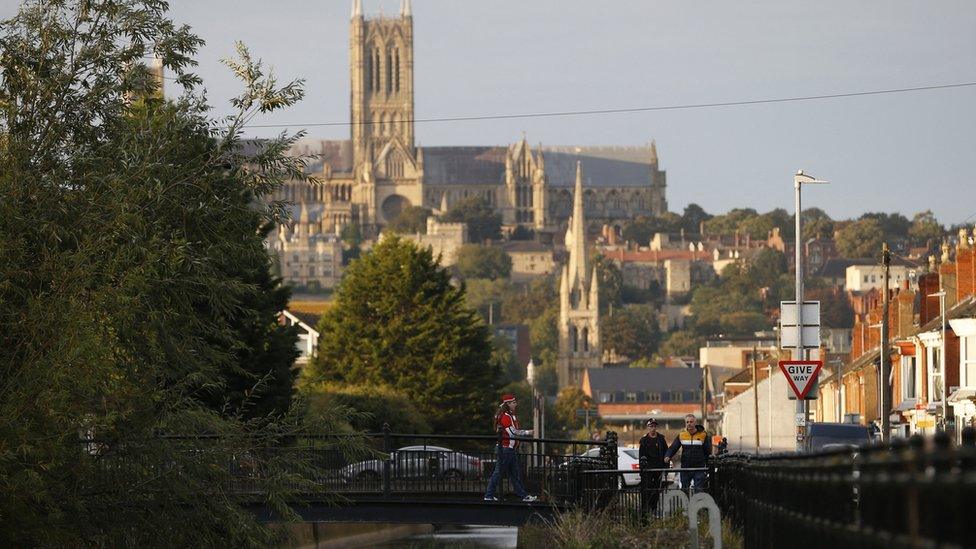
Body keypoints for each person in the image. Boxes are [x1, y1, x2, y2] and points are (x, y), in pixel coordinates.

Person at [484, 394, 538, 502]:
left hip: (509, 449)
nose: (516, 404)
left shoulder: (509, 415)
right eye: (513, 402)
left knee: (514, 474)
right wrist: (528, 432)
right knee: (499, 473)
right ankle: (488, 495)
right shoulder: (505, 416)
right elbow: (512, 433)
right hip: (505, 449)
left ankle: (523, 496)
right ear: (508, 404)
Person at [664, 414, 712, 494]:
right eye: (687, 422)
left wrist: (707, 467)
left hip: (699, 468)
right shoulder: (682, 435)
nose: (689, 424)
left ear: (695, 423)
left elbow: (708, 452)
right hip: (686, 468)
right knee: (684, 490)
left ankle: (697, 506)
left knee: (699, 490)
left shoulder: (703, 435)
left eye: (691, 422)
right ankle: (686, 506)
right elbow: (673, 447)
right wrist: (668, 456)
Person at [638, 418, 668, 515]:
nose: (653, 428)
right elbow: (641, 456)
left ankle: (654, 509)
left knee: (656, 490)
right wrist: (642, 470)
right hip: (647, 470)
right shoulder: (644, 440)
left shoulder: (661, 439)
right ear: (648, 427)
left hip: (658, 468)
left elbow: (666, 453)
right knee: (646, 490)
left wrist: (666, 467)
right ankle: (645, 510)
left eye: (654, 426)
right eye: (651, 426)